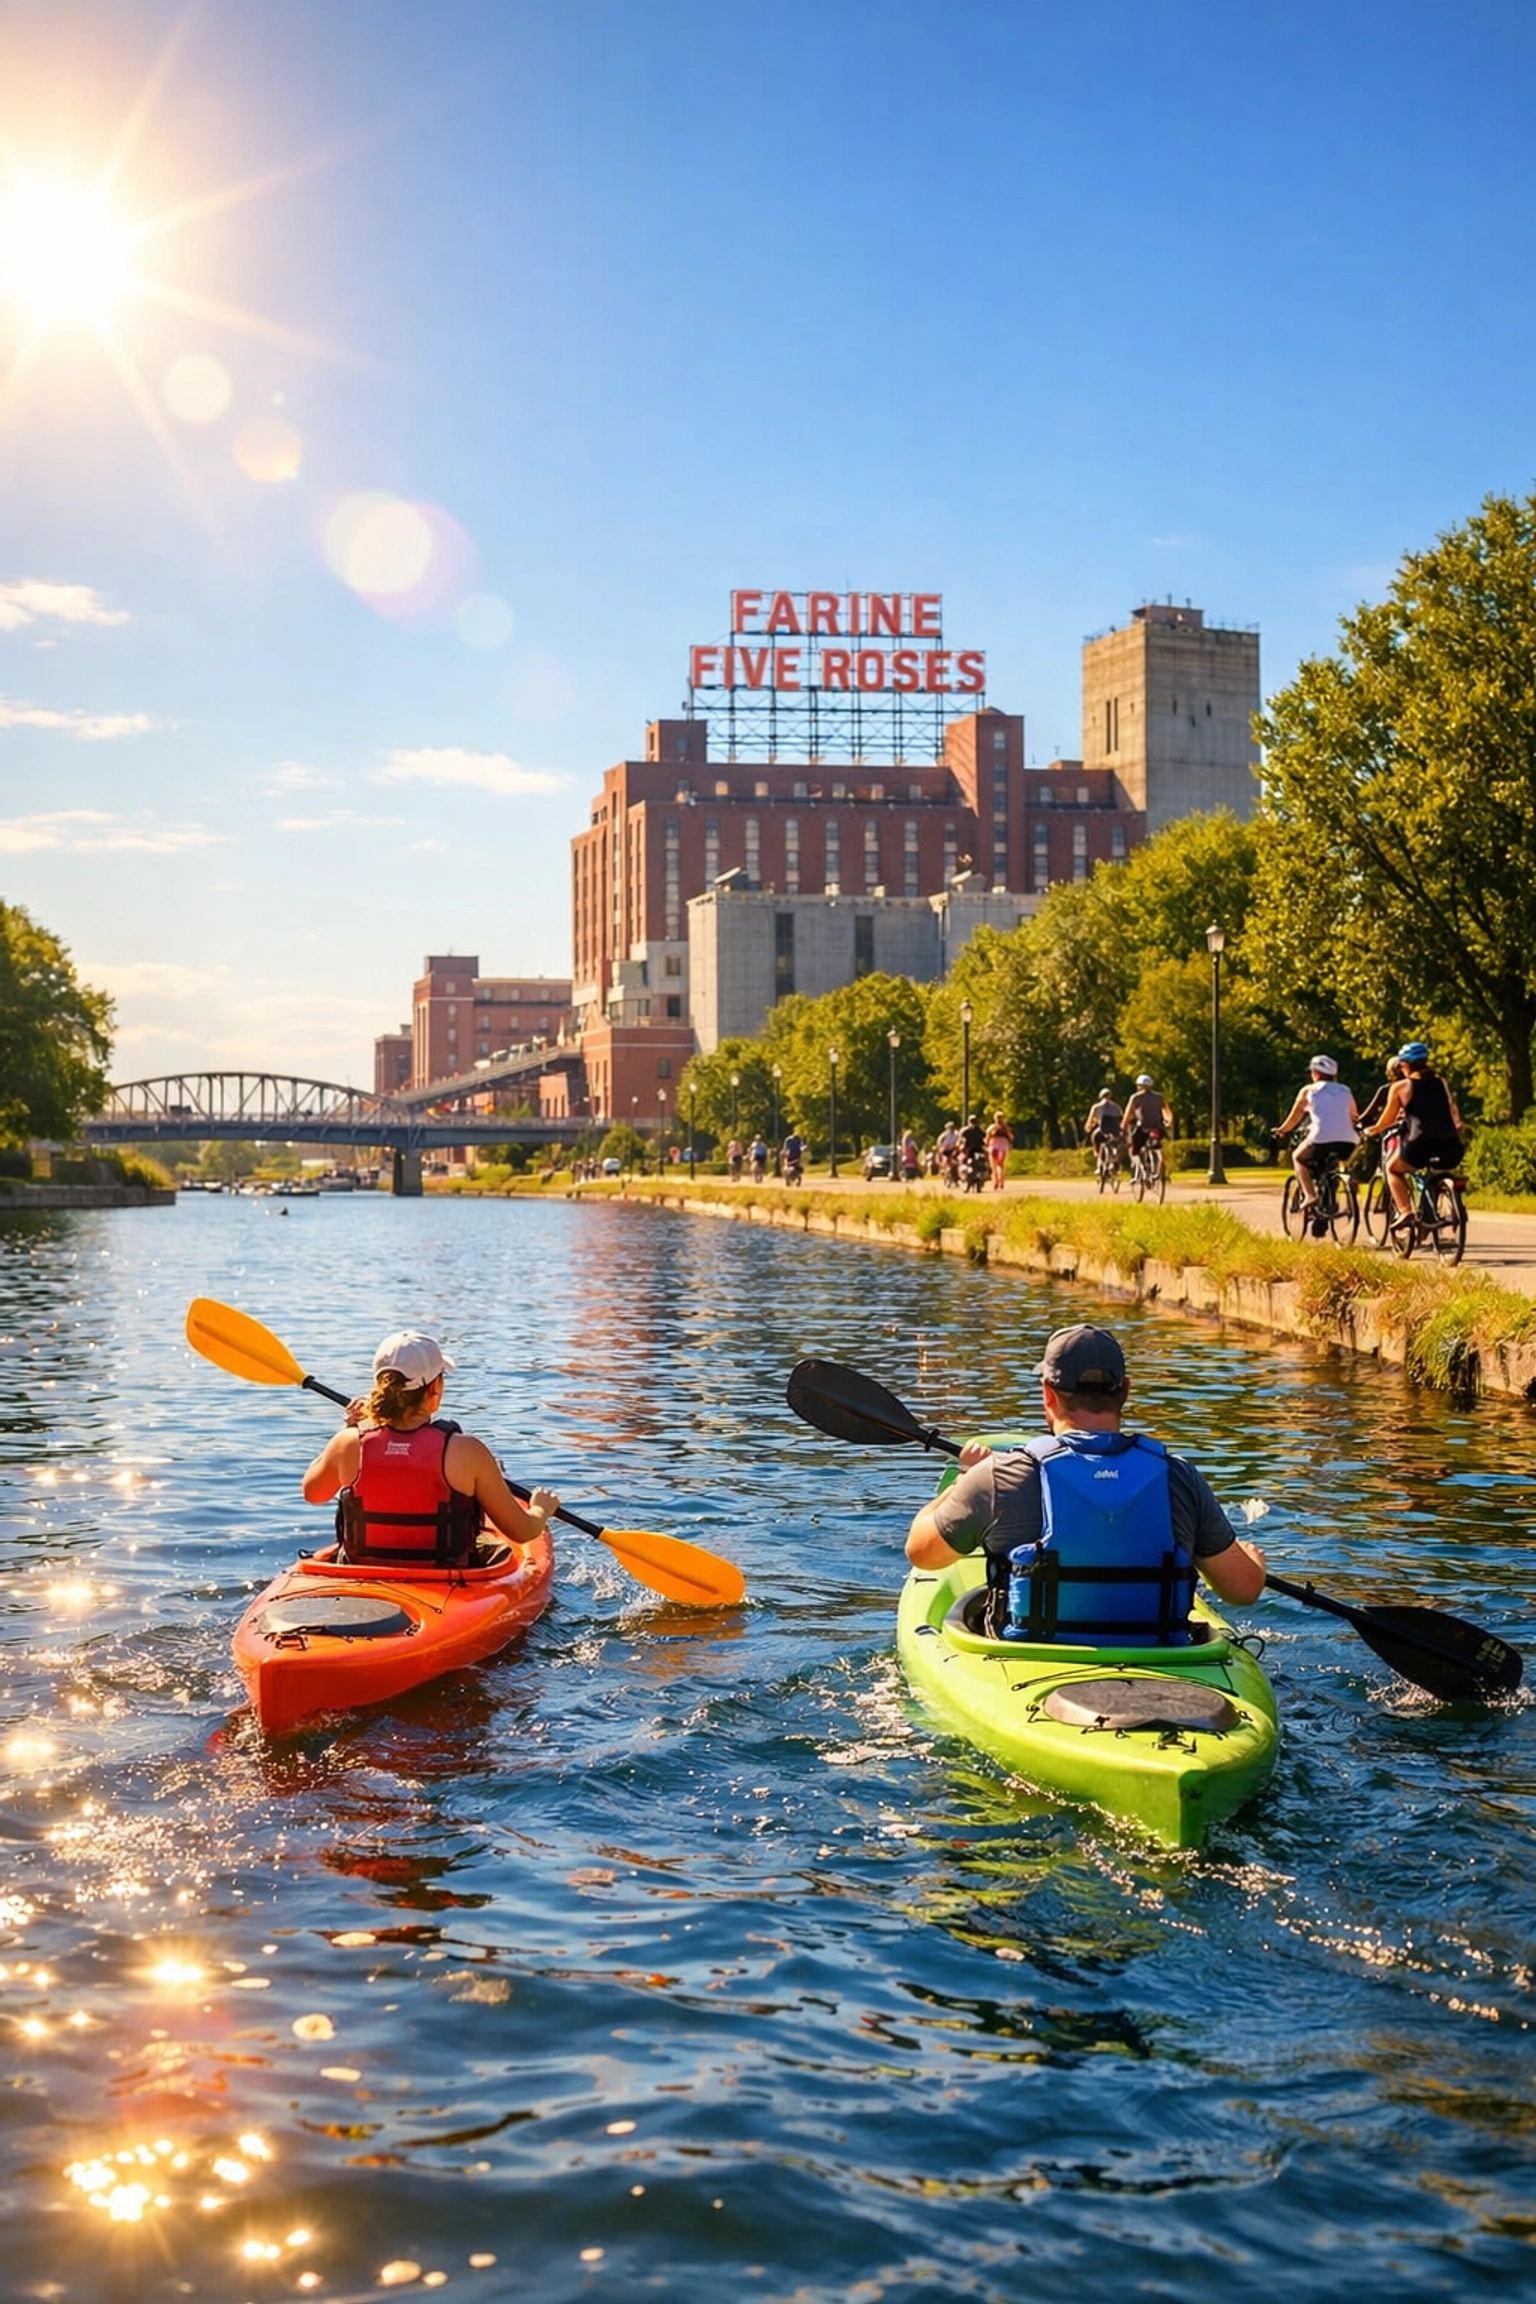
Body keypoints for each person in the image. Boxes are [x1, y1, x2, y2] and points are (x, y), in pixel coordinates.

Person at [904, 1324, 1267, 1643]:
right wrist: (1253, 1561)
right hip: (1162, 1664)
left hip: (1032, 1665)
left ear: (1047, 1393)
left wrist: (964, 1480)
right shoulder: (1179, 1477)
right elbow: (1244, 1589)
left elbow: (922, 1552)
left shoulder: (999, 1476)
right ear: (1125, 1391)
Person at [302, 1330, 559, 1566]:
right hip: (447, 1581)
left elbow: (313, 1493)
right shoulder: (466, 1452)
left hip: (364, 1575)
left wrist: (348, 1428)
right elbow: (523, 1532)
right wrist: (540, 1509)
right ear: (435, 1388)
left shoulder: (348, 1443)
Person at [1364, 1042, 1464, 1217]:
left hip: (1420, 1145)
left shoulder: (1400, 1087)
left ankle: (1405, 1212)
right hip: (1450, 1144)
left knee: (1391, 1169)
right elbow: (1452, 1109)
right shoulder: (1442, 1082)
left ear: (1405, 1065)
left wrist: (1371, 1130)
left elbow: (1386, 1120)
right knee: (1435, 1173)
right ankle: (1438, 1213)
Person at [1272, 1054, 1360, 1234]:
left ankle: (1310, 1196)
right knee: (1332, 1168)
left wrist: (1282, 1130)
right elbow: (1354, 1116)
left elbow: (1295, 1116)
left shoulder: (1309, 1091)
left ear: (1316, 1073)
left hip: (1320, 1138)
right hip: (1348, 1141)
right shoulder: (1345, 1090)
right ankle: (1340, 1191)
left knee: (1298, 1158)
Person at [1353, 1057, 1406, 1179]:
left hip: (1391, 1130)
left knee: (1373, 1148)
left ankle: (1362, 1176)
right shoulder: (1414, 1086)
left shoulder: (1387, 1089)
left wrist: (1357, 1122)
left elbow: (1369, 1113)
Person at [1124, 1075, 1173, 1159]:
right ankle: (1161, 1170)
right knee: (1159, 1147)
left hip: (1142, 1128)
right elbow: (1167, 1112)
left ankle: (1141, 1165)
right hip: (1158, 1128)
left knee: (1135, 1148)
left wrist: (1123, 1127)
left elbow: (1127, 1114)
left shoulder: (1135, 1097)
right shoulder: (1160, 1097)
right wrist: (1168, 1123)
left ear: (1139, 1086)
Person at [1084, 1086, 1123, 1152]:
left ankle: (1097, 1154)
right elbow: (1121, 1117)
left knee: (1095, 1136)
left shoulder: (1096, 1107)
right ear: (1110, 1096)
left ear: (1100, 1096)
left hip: (1103, 1130)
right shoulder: (1116, 1106)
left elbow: (1090, 1120)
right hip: (1116, 1130)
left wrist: (1088, 1127)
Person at [985, 1111, 1013, 1193]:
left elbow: (987, 1138)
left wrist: (986, 1144)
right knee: (1001, 1166)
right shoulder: (1006, 1128)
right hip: (1003, 1148)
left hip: (994, 1147)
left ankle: (995, 1182)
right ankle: (1001, 1181)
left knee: (994, 1166)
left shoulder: (992, 1127)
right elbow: (1011, 1137)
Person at [936, 1118, 961, 1187]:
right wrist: (941, 1148)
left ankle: (956, 1178)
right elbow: (939, 1142)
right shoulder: (944, 1135)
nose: (951, 1128)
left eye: (952, 1127)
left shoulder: (956, 1134)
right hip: (945, 1150)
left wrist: (957, 1146)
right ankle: (945, 1172)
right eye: (950, 1127)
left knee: (955, 1163)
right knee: (946, 1161)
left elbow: (959, 1141)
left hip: (953, 1150)